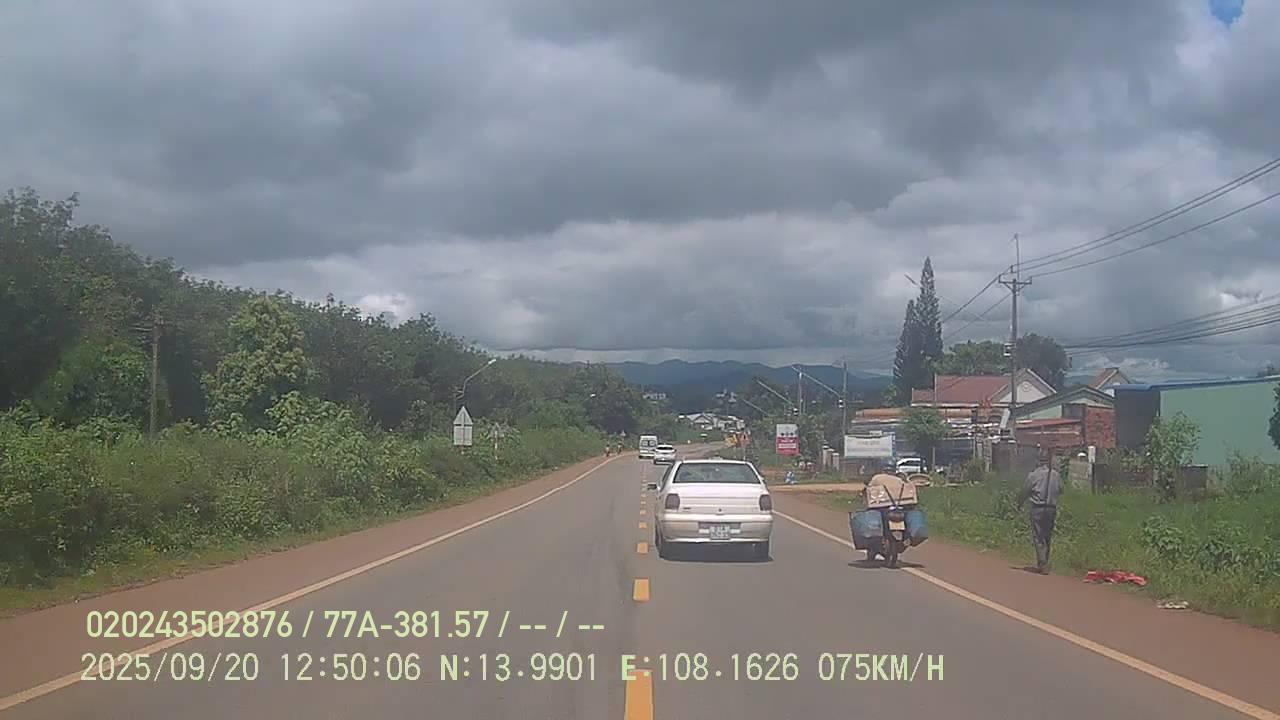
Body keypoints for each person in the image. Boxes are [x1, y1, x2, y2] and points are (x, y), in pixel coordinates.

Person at [1018, 447, 1063, 574]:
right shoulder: (1055, 475)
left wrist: (1019, 503)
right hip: (1051, 508)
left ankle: (1042, 563)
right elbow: (1061, 490)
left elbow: (1025, 491)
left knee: (1038, 537)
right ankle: (1045, 561)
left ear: (1038, 461)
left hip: (1037, 509)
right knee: (1047, 536)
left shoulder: (1033, 475)